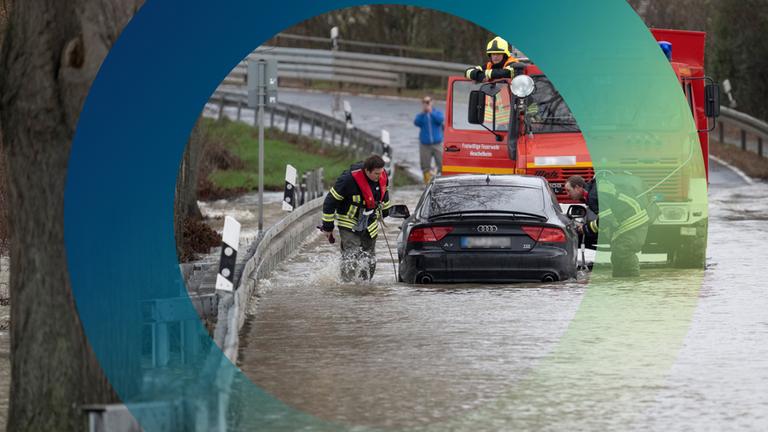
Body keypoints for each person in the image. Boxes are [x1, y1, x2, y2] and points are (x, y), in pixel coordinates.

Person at [321, 155, 393, 282]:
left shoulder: (382, 176)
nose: (379, 176)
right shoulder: (348, 180)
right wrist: (328, 227)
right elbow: (330, 202)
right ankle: (348, 287)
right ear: (367, 170)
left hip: (370, 221)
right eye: (376, 174)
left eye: (381, 173)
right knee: (352, 256)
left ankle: (364, 287)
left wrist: (385, 212)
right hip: (349, 222)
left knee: (369, 258)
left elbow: (385, 195)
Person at [565, 174, 651, 277]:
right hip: (629, 220)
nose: (567, 195)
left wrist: (585, 228)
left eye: (568, 190)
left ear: (578, 187)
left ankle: (632, 283)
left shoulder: (593, 196)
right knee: (617, 256)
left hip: (633, 220)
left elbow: (606, 221)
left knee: (623, 252)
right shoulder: (592, 194)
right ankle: (621, 285)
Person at [413, 96, 444, 183]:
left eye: (428, 102)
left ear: (432, 102)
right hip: (425, 145)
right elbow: (416, 122)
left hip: (437, 143)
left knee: (442, 164)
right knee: (425, 166)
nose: (426, 104)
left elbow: (440, 120)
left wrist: (431, 112)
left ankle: (441, 182)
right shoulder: (421, 115)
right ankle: (427, 184)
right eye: (424, 102)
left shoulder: (437, 113)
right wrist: (423, 112)